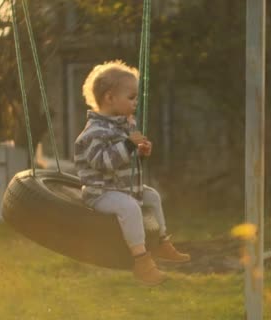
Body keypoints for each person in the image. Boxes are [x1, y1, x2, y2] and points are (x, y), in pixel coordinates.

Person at [74, 60, 190, 286]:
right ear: (110, 98)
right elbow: (103, 163)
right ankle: (141, 261)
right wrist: (128, 146)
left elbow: (126, 162)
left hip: (121, 187)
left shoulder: (123, 126)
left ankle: (161, 243)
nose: (136, 102)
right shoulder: (94, 132)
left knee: (153, 196)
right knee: (129, 207)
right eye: (131, 97)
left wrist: (140, 152)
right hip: (100, 193)